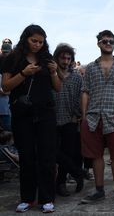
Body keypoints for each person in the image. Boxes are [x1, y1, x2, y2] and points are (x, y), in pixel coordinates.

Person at [2, 24, 61, 213]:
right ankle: (27, 198)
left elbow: (58, 88)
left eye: (41, 42)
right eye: (33, 40)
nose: (37, 45)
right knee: (27, 156)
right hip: (22, 114)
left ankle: (46, 198)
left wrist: (53, 72)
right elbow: (6, 86)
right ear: (25, 39)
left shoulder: (47, 58)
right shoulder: (13, 58)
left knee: (47, 156)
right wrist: (24, 73)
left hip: (45, 113)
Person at [80, 30, 114, 204]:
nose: (108, 44)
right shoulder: (90, 68)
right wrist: (84, 115)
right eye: (105, 41)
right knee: (96, 156)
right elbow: (85, 92)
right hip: (93, 117)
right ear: (99, 44)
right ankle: (99, 190)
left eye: (111, 41)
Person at [52, 43, 84, 197]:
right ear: (57, 58)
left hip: (70, 119)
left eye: (68, 58)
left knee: (67, 152)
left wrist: (77, 114)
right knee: (51, 151)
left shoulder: (77, 78)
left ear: (72, 60)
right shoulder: (50, 74)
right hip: (51, 119)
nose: (65, 61)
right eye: (62, 57)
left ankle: (61, 183)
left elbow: (80, 97)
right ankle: (77, 172)